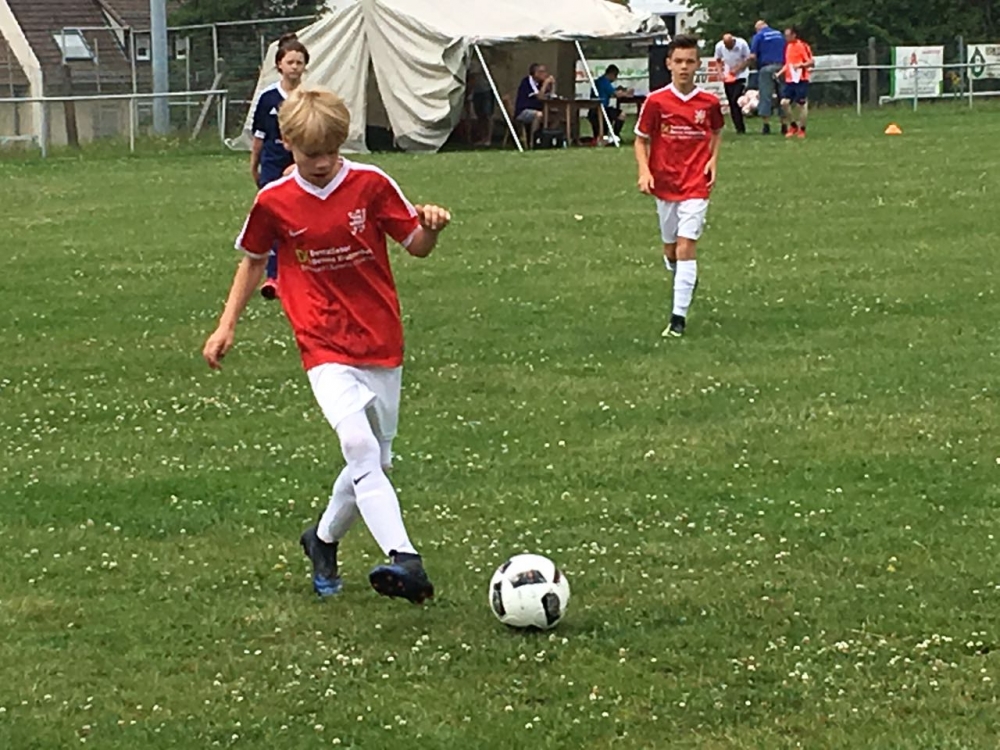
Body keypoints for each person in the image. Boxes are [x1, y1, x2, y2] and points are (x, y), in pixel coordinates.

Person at [203, 87, 452, 605]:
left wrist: (431, 228)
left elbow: (415, 247)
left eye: (331, 152)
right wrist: (226, 325)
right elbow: (253, 260)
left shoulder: (371, 184)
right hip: (321, 341)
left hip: (380, 338)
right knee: (359, 446)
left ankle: (321, 539)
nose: (321, 163)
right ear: (288, 143)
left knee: (376, 460)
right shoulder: (274, 200)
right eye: (310, 153)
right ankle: (405, 557)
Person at [634, 35, 724, 339]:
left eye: (690, 61)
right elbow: (640, 139)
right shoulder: (656, 101)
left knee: (687, 245)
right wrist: (644, 171)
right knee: (671, 249)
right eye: (679, 61)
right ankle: (684, 278)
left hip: (696, 182)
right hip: (665, 182)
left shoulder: (709, 103)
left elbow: (717, 131)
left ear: (698, 65)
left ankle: (677, 320)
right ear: (669, 64)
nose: (684, 67)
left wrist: (713, 160)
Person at [250, 33, 309, 301]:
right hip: (273, 166)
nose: (295, 67)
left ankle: (301, 272)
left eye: (299, 62)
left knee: (302, 220)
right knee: (272, 221)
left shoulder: (308, 97)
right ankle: (273, 277)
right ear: (279, 65)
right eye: (290, 62)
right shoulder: (268, 98)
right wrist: (255, 166)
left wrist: (298, 166)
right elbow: (259, 136)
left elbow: (314, 136)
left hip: (301, 166)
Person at [748, 19, 786, 135]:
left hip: (766, 67)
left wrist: (752, 65)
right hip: (782, 67)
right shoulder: (779, 34)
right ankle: (784, 125)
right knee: (783, 96)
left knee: (765, 96)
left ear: (758, 28)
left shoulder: (759, 36)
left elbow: (753, 55)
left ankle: (766, 125)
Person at [778, 26, 815, 139]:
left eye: (788, 35)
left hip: (801, 79)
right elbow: (788, 64)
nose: (786, 38)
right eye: (785, 36)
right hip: (790, 80)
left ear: (794, 35)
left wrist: (800, 65)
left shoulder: (802, 46)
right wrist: (779, 73)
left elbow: (811, 62)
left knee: (801, 104)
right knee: (784, 103)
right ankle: (793, 125)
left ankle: (802, 129)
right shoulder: (788, 47)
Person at [714, 33, 751, 134]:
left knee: (736, 100)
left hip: (741, 75)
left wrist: (738, 69)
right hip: (728, 76)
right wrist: (720, 73)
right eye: (726, 46)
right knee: (731, 102)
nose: (728, 48)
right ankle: (739, 128)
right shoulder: (719, 46)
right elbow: (718, 60)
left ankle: (742, 122)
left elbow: (749, 59)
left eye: (730, 46)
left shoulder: (742, 44)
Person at [588, 64, 632, 140]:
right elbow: (615, 94)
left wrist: (619, 89)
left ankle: (607, 136)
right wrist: (627, 93)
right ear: (611, 74)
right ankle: (615, 135)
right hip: (601, 109)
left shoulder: (599, 81)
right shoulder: (605, 82)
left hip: (594, 110)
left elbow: (609, 92)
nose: (615, 79)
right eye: (615, 76)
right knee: (622, 115)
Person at [515, 63, 555, 144]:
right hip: (523, 111)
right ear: (536, 73)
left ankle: (546, 139)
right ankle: (533, 140)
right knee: (538, 115)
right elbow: (540, 97)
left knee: (555, 116)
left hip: (538, 109)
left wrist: (552, 85)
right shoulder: (528, 82)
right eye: (542, 72)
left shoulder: (540, 83)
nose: (545, 74)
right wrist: (545, 84)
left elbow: (550, 96)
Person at [467, 55, 494, 146]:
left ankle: (488, 138)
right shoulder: (471, 62)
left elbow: (473, 79)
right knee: (480, 115)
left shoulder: (476, 63)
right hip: (477, 92)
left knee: (487, 115)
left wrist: (469, 92)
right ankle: (483, 138)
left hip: (486, 90)